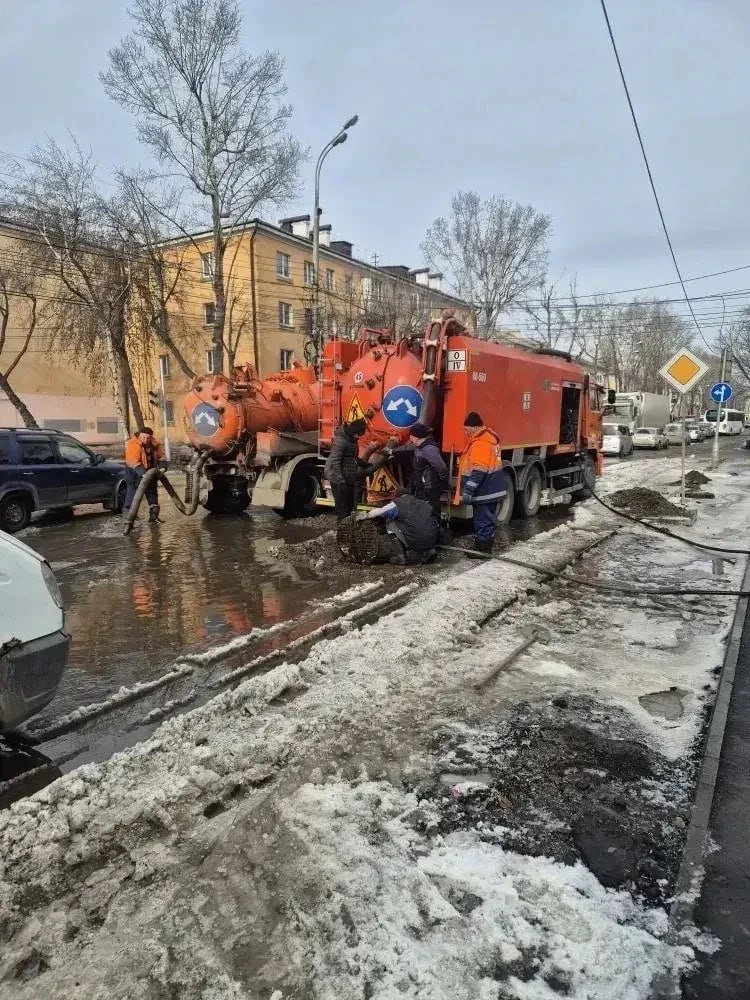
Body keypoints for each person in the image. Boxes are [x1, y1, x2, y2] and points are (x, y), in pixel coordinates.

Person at [454, 411, 507, 553]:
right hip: (490, 488)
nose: (465, 433)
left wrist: (468, 490)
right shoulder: (487, 440)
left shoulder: (481, 443)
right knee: (486, 520)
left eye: (466, 429)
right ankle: (482, 547)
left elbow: (479, 470)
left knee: (483, 521)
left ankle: (483, 550)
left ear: (474, 428)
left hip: (485, 490)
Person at [386, 422, 449, 522]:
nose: (410, 438)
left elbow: (442, 468)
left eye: (411, 436)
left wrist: (443, 483)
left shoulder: (429, 449)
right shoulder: (419, 446)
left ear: (417, 437)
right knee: (421, 512)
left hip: (429, 488)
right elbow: (407, 448)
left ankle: (435, 531)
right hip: (421, 486)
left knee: (431, 511)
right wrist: (391, 451)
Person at [324, 418, 383, 520]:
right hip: (338, 479)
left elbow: (353, 458)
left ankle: (348, 529)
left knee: (350, 506)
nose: (358, 437)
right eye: (358, 434)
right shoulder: (340, 441)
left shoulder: (352, 439)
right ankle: (342, 531)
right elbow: (335, 462)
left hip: (349, 476)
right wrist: (340, 481)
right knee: (342, 508)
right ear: (353, 430)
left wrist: (365, 464)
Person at [364, 493, 439, 565]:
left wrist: (366, 515)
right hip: (431, 540)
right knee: (422, 524)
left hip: (417, 540)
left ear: (398, 496)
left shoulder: (398, 503)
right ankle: (429, 551)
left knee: (390, 523)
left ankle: (401, 557)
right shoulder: (424, 503)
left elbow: (380, 511)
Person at [124, 426, 166, 523]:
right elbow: (133, 460)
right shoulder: (133, 444)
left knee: (152, 494)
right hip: (134, 473)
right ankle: (129, 518)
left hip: (150, 471)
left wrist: (163, 467)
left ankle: (154, 516)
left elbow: (161, 456)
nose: (146, 440)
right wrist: (142, 473)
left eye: (148, 438)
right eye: (144, 438)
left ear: (151, 437)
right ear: (140, 435)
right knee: (133, 494)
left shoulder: (155, 444)